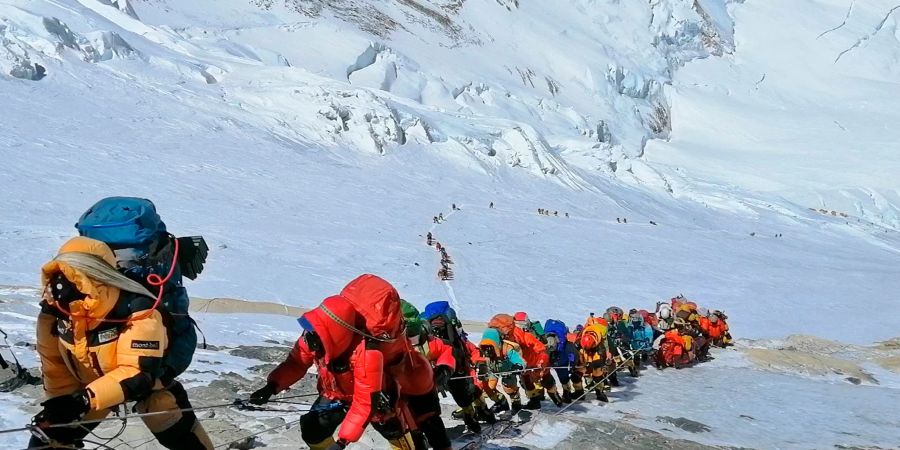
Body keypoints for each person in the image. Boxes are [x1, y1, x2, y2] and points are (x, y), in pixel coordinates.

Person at [31, 237, 212, 449]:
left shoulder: (138, 309)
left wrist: (83, 400)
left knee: (177, 431)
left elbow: (138, 373)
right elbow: (54, 362)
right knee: (49, 436)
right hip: (92, 387)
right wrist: (59, 402)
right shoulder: (57, 313)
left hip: (146, 381)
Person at [252, 276, 449, 450]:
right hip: (337, 393)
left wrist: (342, 442)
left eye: (314, 331)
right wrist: (272, 386)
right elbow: (296, 363)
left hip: (378, 398)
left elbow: (364, 404)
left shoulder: (367, 354)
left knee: (397, 436)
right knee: (313, 429)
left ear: (332, 333)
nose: (308, 336)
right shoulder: (315, 337)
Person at [405, 301, 488, 434]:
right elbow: (469, 349)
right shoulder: (453, 338)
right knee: (466, 395)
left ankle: (423, 432)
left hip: (433, 375)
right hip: (454, 371)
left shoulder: (426, 339)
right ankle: (473, 416)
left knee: (426, 405)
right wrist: (479, 361)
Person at [488, 314, 557, 409]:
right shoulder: (505, 336)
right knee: (525, 381)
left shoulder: (525, 335)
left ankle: (555, 397)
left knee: (545, 379)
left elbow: (541, 349)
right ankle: (534, 401)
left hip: (535, 361)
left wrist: (541, 362)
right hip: (521, 363)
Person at [476, 328, 526, 413]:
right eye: (485, 347)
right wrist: (480, 368)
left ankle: (516, 403)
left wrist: (518, 366)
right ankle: (501, 402)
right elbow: (479, 360)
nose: (487, 350)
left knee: (509, 387)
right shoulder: (482, 350)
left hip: (508, 370)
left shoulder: (507, 348)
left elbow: (518, 359)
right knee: (488, 387)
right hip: (492, 370)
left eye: (490, 346)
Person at [574, 320, 609, 402]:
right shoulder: (581, 336)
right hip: (585, 348)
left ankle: (600, 393)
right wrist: (579, 362)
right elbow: (577, 350)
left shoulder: (600, 344)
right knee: (576, 374)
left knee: (597, 375)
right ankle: (579, 392)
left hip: (597, 350)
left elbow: (601, 359)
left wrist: (592, 364)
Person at [543, 319, 576, 403]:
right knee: (563, 377)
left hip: (554, 360)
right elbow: (571, 354)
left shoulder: (545, 345)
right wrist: (572, 364)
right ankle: (566, 394)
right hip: (561, 360)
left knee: (548, 378)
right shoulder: (566, 344)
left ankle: (557, 396)